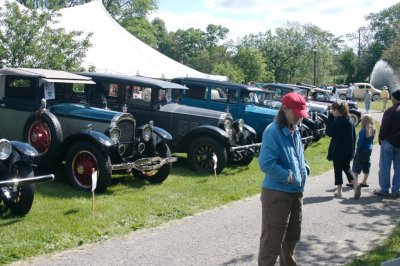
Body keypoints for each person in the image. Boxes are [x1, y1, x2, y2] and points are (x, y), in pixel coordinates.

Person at [258, 92, 309, 266]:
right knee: (271, 242)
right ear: (284, 108)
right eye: (295, 112)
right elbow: (266, 163)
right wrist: (288, 177)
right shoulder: (272, 131)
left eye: (300, 113)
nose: (298, 117)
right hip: (277, 194)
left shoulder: (294, 129)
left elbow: (297, 155)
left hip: (295, 193)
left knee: (292, 238)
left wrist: (305, 169)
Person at [326, 102, 361, 199]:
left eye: (333, 110)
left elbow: (329, 132)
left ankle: (339, 191)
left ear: (337, 110)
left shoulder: (338, 121)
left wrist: (330, 118)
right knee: (347, 169)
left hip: (338, 150)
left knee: (338, 170)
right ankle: (355, 185)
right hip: (347, 150)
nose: (332, 112)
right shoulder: (349, 120)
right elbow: (354, 135)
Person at [374, 90, 400, 197]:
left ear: (394, 98)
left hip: (389, 141)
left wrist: (381, 138)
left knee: (385, 166)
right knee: (398, 167)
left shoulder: (390, 111)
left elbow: (384, 127)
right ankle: (395, 190)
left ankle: (384, 189)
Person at [347, 114, 375, 188]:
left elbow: (361, 142)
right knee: (366, 164)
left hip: (362, 150)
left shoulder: (363, 130)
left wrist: (357, 150)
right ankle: (364, 181)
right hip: (369, 150)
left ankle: (355, 182)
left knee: (356, 165)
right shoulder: (373, 130)